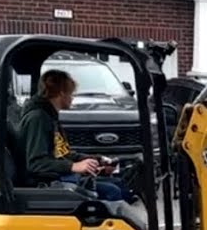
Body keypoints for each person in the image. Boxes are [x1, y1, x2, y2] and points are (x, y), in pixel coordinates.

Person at [21, 69, 134, 203]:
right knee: (112, 192)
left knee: (120, 184)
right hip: (47, 183)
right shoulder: (38, 119)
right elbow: (36, 163)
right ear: (62, 93)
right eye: (71, 93)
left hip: (59, 177)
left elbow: (62, 154)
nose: (73, 98)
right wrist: (73, 167)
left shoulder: (50, 117)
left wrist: (94, 160)